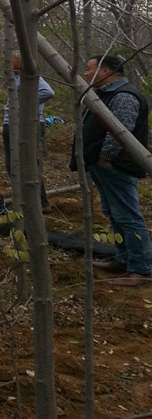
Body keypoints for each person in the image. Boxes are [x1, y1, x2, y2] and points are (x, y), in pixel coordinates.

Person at [77, 55, 151, 287]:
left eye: (89, 69)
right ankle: (123, 259)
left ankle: (140, 268)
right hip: (104, 167)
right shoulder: (104, 94)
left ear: (106, 71)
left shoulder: (124, 97)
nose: (86, 74)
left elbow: (120, 133)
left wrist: (105, 158)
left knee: (128, 217)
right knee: (114, 213)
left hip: (117, 167)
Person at [2, 50, 54, 211]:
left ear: (20, 62)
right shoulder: (16, 79)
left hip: (25, 125)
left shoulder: (30, 77)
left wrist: (24, 103)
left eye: (11, 60)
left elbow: (49, 92)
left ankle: (39, 203)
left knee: (29, 164)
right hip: (12, 124)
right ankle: (27, 201)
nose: (8, 63)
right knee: (13, 165)